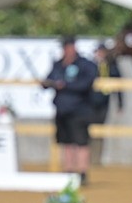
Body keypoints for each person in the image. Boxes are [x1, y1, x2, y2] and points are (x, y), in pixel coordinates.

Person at [41, 35, 98, 185]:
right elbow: (49, 80)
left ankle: (82, 173)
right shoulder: (59, 65)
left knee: (80, 142)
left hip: (79, 110)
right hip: (62, 110)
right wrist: (48, 83)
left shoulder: (85, 65)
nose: (66, 50)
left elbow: (86, 83)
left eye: (68, 46)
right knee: (66, 142)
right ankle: (68, 172)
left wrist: (65, 85)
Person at [89, 42, 123, 165]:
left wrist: (120, 104)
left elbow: (118, 85)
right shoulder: (90, 66)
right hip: (90, 102)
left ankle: (97, 159)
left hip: (104, 102)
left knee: (100, 130)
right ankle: (88, 158)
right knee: (89, 130)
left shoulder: (111, 66)